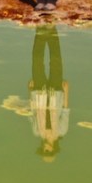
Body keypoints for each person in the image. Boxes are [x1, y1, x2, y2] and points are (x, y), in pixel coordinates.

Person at [28, 24, 69, 161]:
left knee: (36, 61)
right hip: (56, 93)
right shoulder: (61, 131)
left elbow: (32, 112)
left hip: (38, 93)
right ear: (53, 149)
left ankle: (40, 32)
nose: (45, 149)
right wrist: (66, 91)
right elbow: (65, 111)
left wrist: (29, 92)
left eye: (44, 151)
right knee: (56, 61)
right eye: (48, 151)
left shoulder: (37, 132)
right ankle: (51, 31)